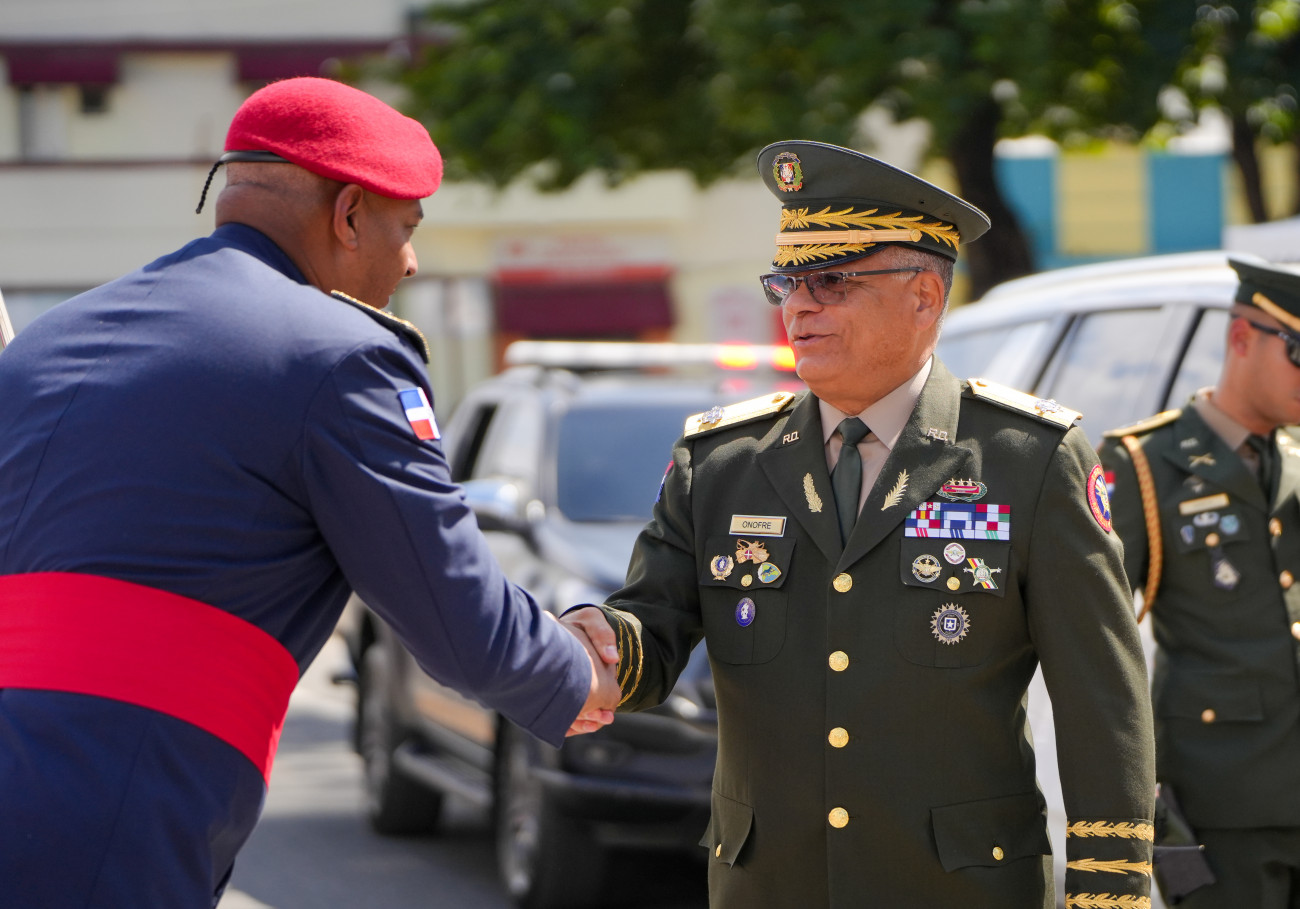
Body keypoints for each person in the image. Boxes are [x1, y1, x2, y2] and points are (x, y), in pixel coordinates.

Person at [0, 76, 617, 908]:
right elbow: (451, 610)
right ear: (349, 213)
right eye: (406, 228)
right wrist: (576, 671)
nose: (410, 261)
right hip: (113, 807)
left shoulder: (48, 341)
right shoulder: (342, 358)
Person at [563, 140, 1155, 908]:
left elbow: (1101, 696)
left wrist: (1109, 890)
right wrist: (591, 647)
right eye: (787, 282)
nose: (798, 306)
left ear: (924, 296)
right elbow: (654, 627)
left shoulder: (1028, 458)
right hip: (771, 886)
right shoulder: (721, 461)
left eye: (832, 281)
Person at [1098, 257, 1300, 908]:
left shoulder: (1294, 460)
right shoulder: (1142, 463)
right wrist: (1156, 822)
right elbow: (1096, 651)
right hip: (1220, 819)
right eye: (1299, 353)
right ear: (1241, 337)